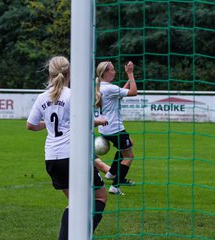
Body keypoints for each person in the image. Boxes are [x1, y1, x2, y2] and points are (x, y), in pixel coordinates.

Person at [26, 56, 108, 240]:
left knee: (74, 204)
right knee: (100, 197)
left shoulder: (41, 98)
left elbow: (30, 125)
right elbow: (83, 122)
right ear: (69, 72)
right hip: (72, 157)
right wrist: (100, 121)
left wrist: (47, 125)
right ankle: (81, 236)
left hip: (52, 159)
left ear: (50, 73)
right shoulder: (72, 95)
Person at [95, 60, 138, 195]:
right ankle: (115, 186)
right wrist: (130, 74)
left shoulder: (101, 87)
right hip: (115, 129)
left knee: (129, 143)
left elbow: (121, 92)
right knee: (129, 156)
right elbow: (133, 92)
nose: (114, 72)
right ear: (105, 73)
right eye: (112, 69)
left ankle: (112, 172)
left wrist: (127, 79)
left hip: (104, 128)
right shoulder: (109, 88)